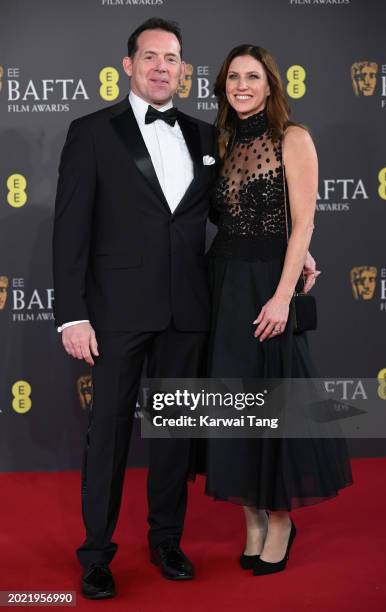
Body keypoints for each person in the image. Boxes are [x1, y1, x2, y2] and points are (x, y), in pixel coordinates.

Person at [52, 18, 219, 598]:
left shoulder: (204, 136)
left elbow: (232, 218)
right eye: (150, 57)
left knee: (174, 435)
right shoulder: (92, 131)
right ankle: (96, 554)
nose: (160, 67)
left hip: (187, 312)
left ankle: (167, 541)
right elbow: (69, 229)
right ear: (128, 65)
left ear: (183, 70)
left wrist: (297, 252)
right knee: (110, 436)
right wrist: (72, 313)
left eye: (171, 59)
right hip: (116, 313)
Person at [205, 45, 353, 576]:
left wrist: (282, 295)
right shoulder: (221, 142)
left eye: (253, 76)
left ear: (271, 86)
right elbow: (227, 219)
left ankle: (282, 521)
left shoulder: (294, 138)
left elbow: (304, 222)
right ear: (222, 85)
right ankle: (250, 520)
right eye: (233, 77)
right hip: (221, 283)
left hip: (268, 286)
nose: (242, 85)